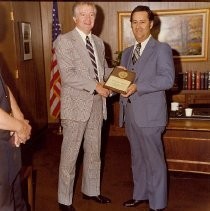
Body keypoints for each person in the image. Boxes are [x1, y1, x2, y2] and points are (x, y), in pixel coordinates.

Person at [54, 2, 112, 211]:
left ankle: (91, 190)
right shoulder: (64, 41)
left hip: (97, 105)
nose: (88, 19)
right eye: (83, 15)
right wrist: (96, 86)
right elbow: (68, 75)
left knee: (94, 152)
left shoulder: (98, 42)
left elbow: (102, 71)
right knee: (70, 155)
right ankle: (64, 200)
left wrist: (118, 75)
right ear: (75, 18)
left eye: (92, 15)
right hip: (75, 107)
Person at [119, 5, 175, 211]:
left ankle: (157, 204)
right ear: (131, 25)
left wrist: (137, 87)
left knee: (154, 159)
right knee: (137, 157)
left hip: (151, 115)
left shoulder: (161, 49)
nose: (138, 26)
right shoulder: (126, 53)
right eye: (134, 22)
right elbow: (123, 82)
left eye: (143, 22)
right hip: (131, 114)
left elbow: (167, 79)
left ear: (151, 24)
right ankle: (140, 194)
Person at [0, 70, 32, 210]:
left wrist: (18, 115)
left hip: (7, 147)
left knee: (18, 203)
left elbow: (3, 86)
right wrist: (20, 127)